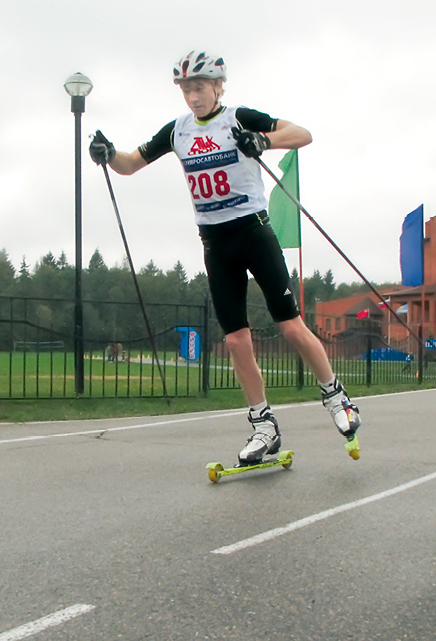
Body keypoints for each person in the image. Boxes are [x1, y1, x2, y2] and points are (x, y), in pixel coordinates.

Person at [89, 50, 361, 465]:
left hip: (253, 231)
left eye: (199, 87)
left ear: (218, 86)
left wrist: (263, 140)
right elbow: (130, 165)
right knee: (236, 340)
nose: (193, 96)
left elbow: (302, 133)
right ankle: (263, 426)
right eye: (186, 89)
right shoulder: (177, 130)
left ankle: (336, 397)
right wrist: (109, 153)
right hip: (216, 243)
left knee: (290, 327)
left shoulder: (239, 117)